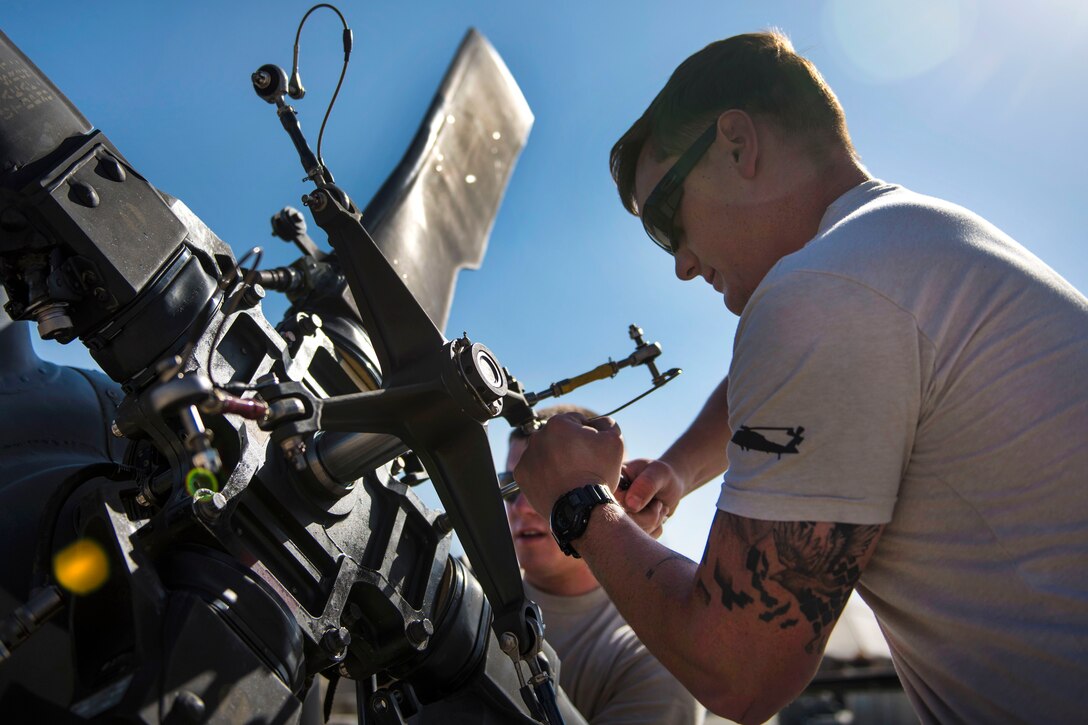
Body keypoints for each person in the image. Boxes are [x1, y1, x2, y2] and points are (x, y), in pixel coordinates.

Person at [512, 30, 1088, 725]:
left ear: (737, 145)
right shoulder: (894, 246)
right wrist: (677, 468)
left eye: (668, 220)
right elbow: (761, 391)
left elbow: (737, 672)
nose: (682, 265)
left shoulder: (823, 292)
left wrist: (578, 503)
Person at [505, 404, 703, 725]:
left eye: (548, 483)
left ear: (614, 492)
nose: (523, 508)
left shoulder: (656, 659)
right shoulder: (451, 592)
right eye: (514, 485)